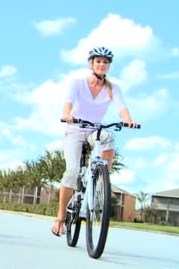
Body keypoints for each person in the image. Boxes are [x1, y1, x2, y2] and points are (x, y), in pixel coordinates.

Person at [52, 46, 138, 237]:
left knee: (108, 137)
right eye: (98, 61)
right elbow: (68, 101)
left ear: (109, 66)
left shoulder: (113, 88)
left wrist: (128, 119)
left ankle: (101, 179)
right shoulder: (78, 83)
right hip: (75, 130)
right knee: (72, 171)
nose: (102, 65)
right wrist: (67, 115)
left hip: (94, 130)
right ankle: (60, 218)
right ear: (92, 63)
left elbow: (121, 106)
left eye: (105, 62)